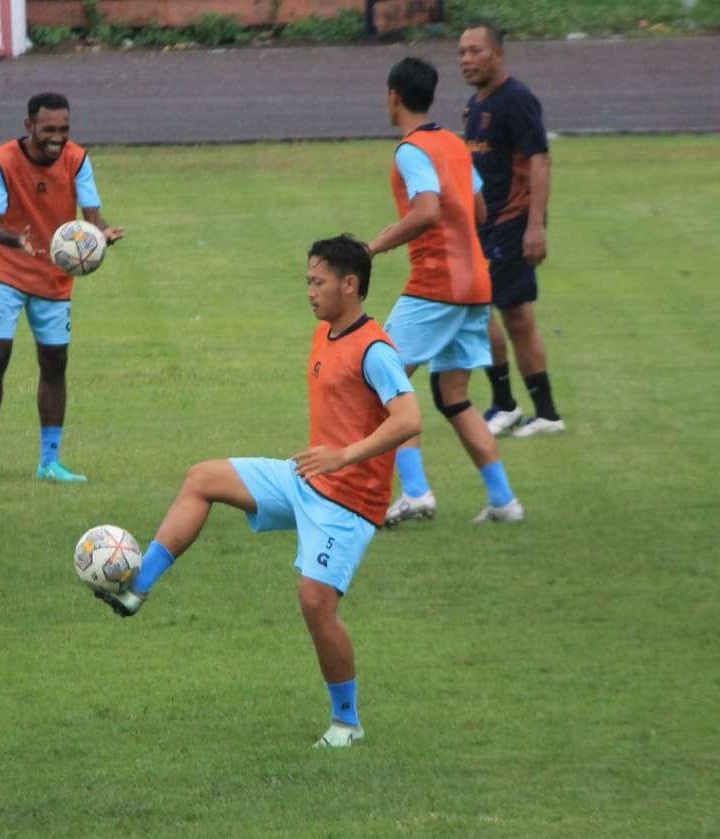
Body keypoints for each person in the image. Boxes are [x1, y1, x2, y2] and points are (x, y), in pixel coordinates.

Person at [96, 235, 421, 749]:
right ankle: (138, 588)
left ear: (350, 284)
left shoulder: (375, 349)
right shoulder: (326, 332)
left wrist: (342, 455)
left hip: (347, 503)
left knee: (316, 604)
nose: (310, 291)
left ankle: (347, 723)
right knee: (202, 478)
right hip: (305, 477)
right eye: (308, 281)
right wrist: (325, 457)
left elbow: (409, 418)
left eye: (319, 282)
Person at [366, 56, 524, 525]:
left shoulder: (411, 150)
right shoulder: (454, 144)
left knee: (384, 382)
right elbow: (476, 213)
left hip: (437, 286)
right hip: (476, 285)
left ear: (394, 95)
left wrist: (373, 247)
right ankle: (503, 501)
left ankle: (415, 492)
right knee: (454, 396)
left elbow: (428, 210)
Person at [0, 92, 124, 486]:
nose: (58, 137)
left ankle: (50, 462)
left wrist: (101, 232)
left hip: (54, 273)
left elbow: (91, 214)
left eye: (64, 129)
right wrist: (15, 239)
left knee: (55, 363)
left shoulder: (78, 159)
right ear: (29, 126)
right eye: (49, 129)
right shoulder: (1, 161)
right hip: (5, 268)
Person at [460, 23, 564, 437]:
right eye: (461, 53)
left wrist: (535, 226)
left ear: (497, 55)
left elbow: (539, 160)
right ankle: (539, 412)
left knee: (485, 310)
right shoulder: (474, 105)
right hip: (486, 226)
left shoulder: (517, 100)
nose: (466, 60)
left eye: (475, 51)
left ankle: (514, 406)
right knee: (511, 316)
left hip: (512, 223)